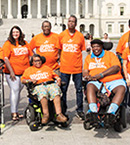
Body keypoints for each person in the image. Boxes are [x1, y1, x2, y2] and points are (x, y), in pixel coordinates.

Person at [83, 39, 126, 117]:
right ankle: (93, 112)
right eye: (93, 47)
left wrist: (101, 75)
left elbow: (116, 67)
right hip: (97, 82)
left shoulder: (110, 55)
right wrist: (87, 76)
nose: (95, 49)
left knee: (121, 88)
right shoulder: (88, 58)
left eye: (97, 46)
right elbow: (85, 70)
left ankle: (111, 113)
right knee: (89, 86)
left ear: (102, 47)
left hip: (113, 80)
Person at [21, 54, 67, 124]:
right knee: (43, 93)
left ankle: (59, 114)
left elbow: (55, 75)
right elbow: (23, 80)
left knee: (56, 92)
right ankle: (46, 115)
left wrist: (58, 79)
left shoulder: (46, 68)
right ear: (32, 62)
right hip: (38, 86)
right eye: (35, 61)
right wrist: (30, 80)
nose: (38, 62)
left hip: (50, 84)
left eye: (39, 60)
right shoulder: (29, 70)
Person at [3, 26, 33, 121]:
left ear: (20, 33)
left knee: (17, 92)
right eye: (13, 32)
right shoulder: (8, 44)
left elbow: (30, 55)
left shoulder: (24, 43)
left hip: (23, 73)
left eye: (17, 32)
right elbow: (6, 58)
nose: (15, 34)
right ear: (11, 34)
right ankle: (13, 113)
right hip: (12, 73)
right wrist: (11, 71)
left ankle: (15, 110)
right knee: (15, 90)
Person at [59, 15, 86, 120]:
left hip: (77, 68)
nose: (71, 23)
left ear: (76, 23)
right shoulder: (61, 35)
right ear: (67, 22)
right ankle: (63, 110)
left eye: (73, 21)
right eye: (69, 21)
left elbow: (83, 50)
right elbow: (58, 51)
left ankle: (79, 110)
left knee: (79, 90)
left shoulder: (80, 36)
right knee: (63, 90)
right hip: (64, 67)